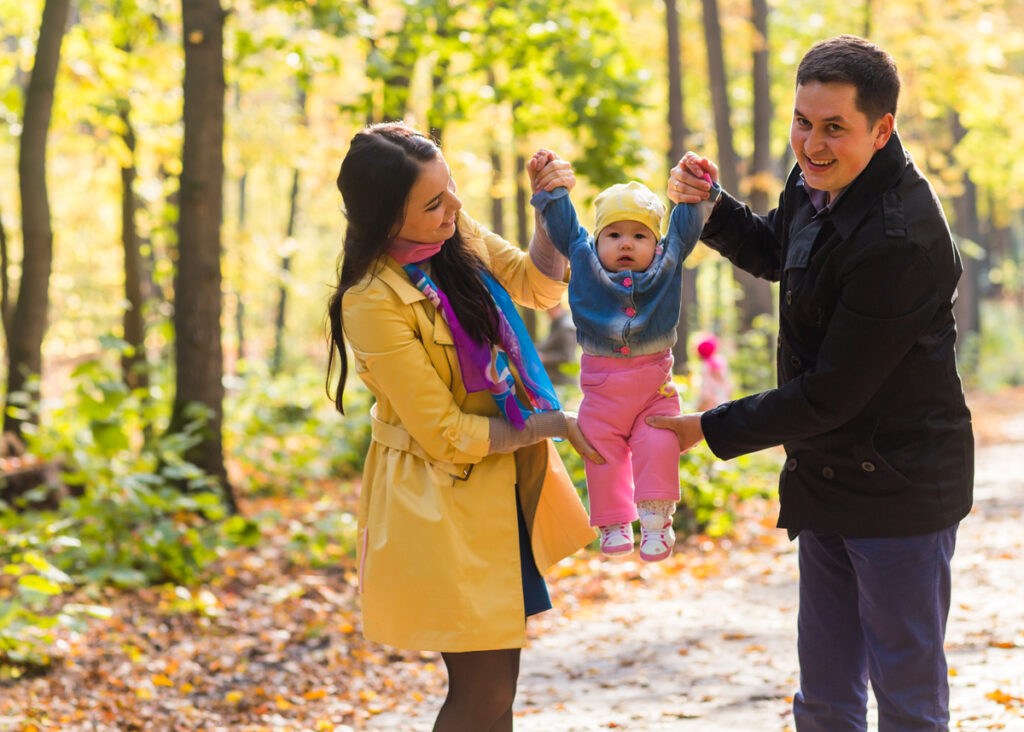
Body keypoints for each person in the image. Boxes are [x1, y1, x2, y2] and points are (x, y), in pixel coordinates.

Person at [650, 35, 973, 731]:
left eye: (834, 129)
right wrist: (711, 206)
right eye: (803, 121)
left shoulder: (900, 239)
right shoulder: (817, 179)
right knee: (825, 699)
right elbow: (776, 249)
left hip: (900, 487)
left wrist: (704, 430)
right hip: (826, 474)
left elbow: (831, 393)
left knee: (908, 703)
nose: (812, 144)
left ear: (882, 130)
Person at [326, 123, 600, 731]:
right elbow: (445, 432)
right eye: (433, 202)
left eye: (450, 188)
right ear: (385, 219)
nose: (453, 207)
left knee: (500, 688)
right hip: (440, 497)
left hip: (497, 488)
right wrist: (549, 423)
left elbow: (538, 284)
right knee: (483, 691)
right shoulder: (371, 299)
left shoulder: (454, 234)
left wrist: (548, 212)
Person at [530, 152, 718, 561]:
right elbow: (564, 229)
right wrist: (552, 188)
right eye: (614, 235)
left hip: (654, 385)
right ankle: (614, 523)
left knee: (659, 440)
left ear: (657, 242)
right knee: (600, 447)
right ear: (598, 241)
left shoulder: (668, 261)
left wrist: (696, 184)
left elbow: (685, 226)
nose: (626, 243)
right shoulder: (583, 259)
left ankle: (656, 522)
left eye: (639, 235)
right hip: (602, 388)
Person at [535, 302, 578, 385]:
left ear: (556, 307)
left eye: (549, 309)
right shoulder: (556, 324)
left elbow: (566, 356)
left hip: (564, 381)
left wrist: (545, 358)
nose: (547, 312)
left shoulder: (566, 326)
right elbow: (548, 345)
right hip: (554, 378)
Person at [694, 333, 733, 411]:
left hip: (710, 395)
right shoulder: (719, 360)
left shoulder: (706, 363)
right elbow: (723, 379)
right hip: (717, 394)